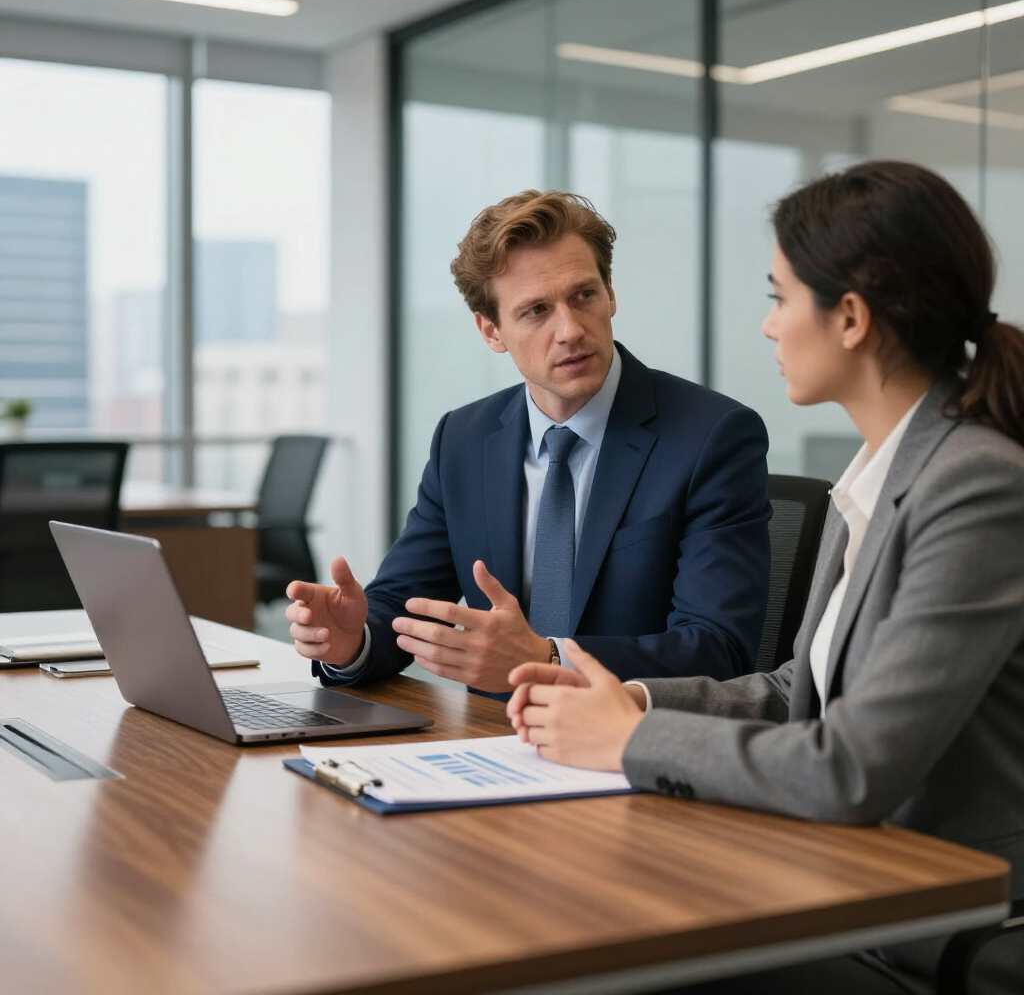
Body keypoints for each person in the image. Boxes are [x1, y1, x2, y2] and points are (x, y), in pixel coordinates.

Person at [508, 162, 1024, 993]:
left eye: (781, 297)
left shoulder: (976, 484)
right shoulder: (879, 475)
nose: (768, 326)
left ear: (849, 318)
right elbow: (800, 687)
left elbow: (847, 768)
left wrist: (630, 742)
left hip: (939, 927)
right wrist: (633, 702)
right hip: (849, 879)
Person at [286, 189, 772, 698]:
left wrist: (549, 659)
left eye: (583, 295)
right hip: (490, 744)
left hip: (632, 751)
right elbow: (406, 609)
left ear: (610, 293)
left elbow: (718, 649)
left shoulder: (712, 436)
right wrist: (351, 642)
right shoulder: (464, 439)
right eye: (536, 310)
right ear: (491, 331)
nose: (570, 330)